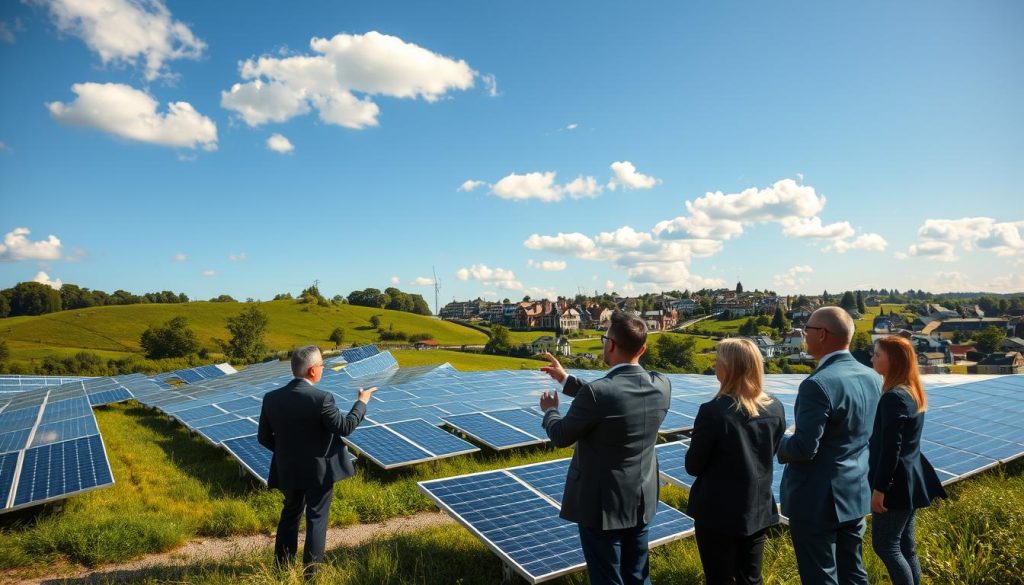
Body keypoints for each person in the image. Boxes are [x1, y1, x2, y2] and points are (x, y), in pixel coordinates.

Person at [538, 311, 670, 585]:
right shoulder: (661, 385)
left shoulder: (598, 393)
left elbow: (562, 436)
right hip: (641, 501)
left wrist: (550, 412)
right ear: (642, 349)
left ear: (610, 344)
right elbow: (615, 397)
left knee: (607, 578)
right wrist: (565, 379)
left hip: (602, 506)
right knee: (637, 576)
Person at [777, 306, 880, 585]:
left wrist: (776, 440)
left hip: (816, 501)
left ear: (822, 334)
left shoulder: (818, 384)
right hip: (855, 492)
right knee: (854, 574)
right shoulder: (872, 377)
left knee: (820, 576)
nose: (803, 335)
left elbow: (803, 449)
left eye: (806, 329)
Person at [257, 345, 376, 576]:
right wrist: (362, 402)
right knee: (316, 520)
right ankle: (311, 575)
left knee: (290, 516)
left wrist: (287, 453)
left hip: (288, 470)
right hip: (318, 472)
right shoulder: (321, 399)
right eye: (322, 365)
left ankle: (281, 570)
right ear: (312, 371)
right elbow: (345, 427)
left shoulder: (271, 398)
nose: (323, 369)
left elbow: (263, 437)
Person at [685, 338, 787, 585]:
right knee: (751, 578)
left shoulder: (713, 411)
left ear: (730, 368)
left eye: (718, 360)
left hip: (717, 513)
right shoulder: (775, 408)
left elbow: (693, 466)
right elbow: (770, 453)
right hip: (758, 508)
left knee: (720, 579)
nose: (714, 364)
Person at [868, 336, 946, 585]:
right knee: (905, 546)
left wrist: (880, 489)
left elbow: (892, 449)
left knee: (885, 545)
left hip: (895, 484)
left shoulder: (894, 398)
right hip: (911, 480)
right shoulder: (911, 391)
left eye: (877, 355)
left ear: (894, 360)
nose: (872, 358)